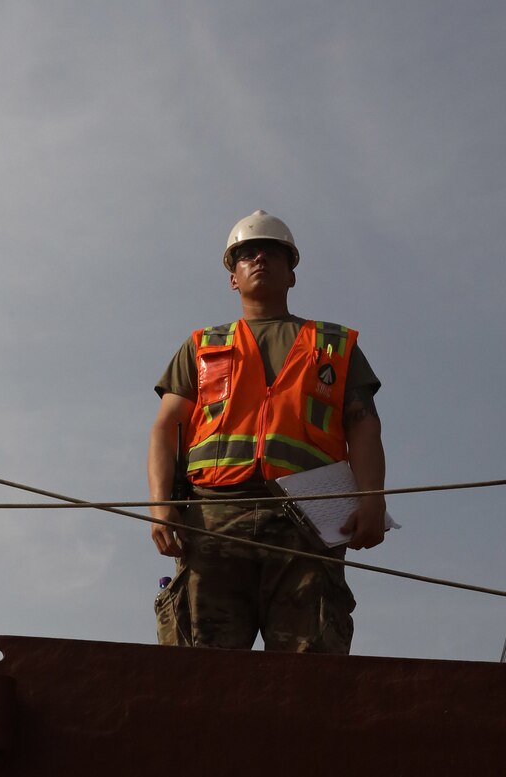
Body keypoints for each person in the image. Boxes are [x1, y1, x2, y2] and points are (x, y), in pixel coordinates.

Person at [148, 209, 386, 654]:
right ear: (232, 277)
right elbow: (166, 429)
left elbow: (365, 426)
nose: (260, 259)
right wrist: (162, 505)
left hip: (307, 523)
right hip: (214, 519)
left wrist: (372, 500)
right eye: (246, 254)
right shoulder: (203, 346)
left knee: (308, 671)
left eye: (273, 253)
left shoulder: (332, 345)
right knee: (201, 668)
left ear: (292, 273)